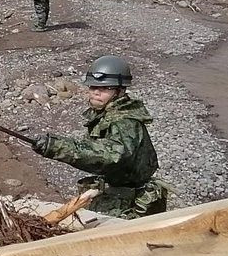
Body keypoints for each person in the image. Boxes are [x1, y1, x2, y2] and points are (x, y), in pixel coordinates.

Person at [30, 55, 168, 219]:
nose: (96, 92)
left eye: (105, 88)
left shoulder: (125, 122)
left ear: (120, 90)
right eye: (93, 87)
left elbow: (111, 156)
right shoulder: (108, 114)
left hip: (130, 205)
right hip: (115, 193)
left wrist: (57, 146)